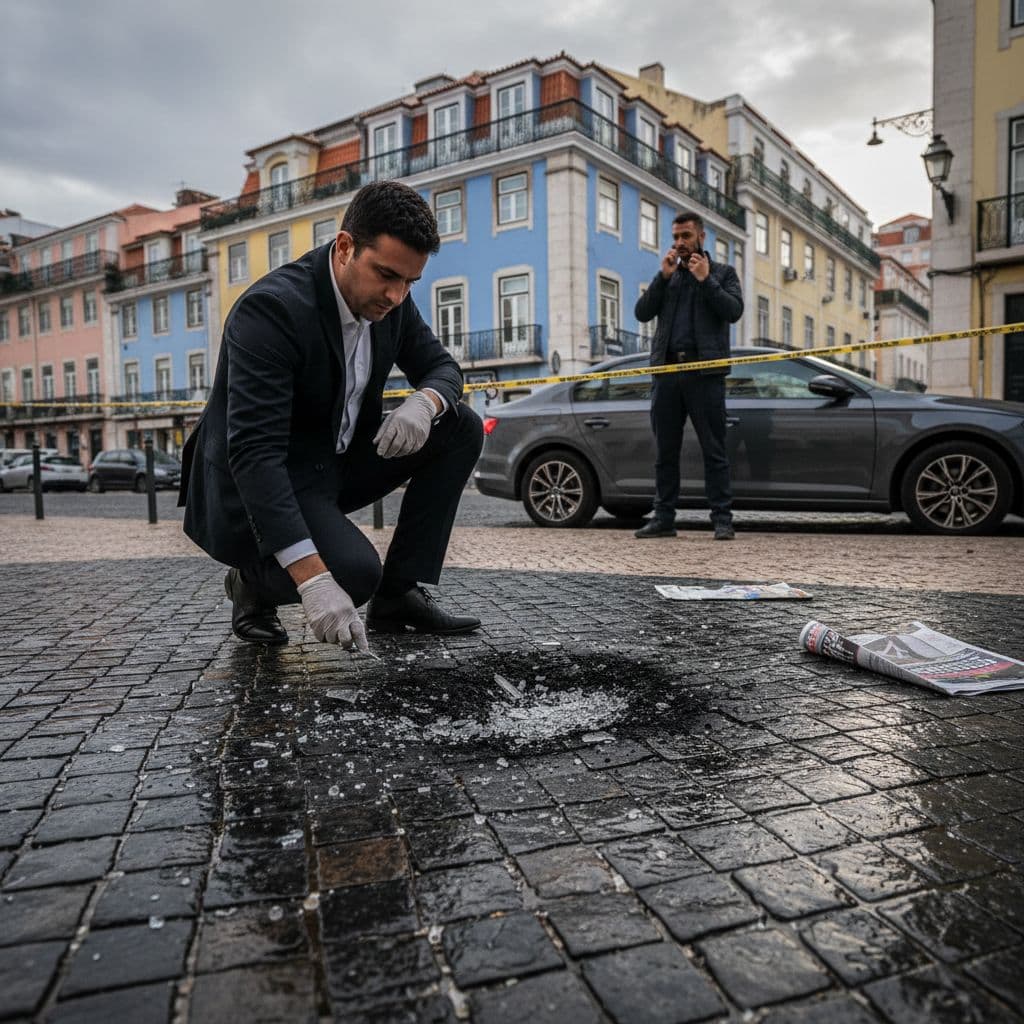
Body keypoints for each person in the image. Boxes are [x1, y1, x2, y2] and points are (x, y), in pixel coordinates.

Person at [178, 180, 483, 650]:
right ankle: (250, 583)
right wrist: (314, 580)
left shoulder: (393, 304)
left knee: (461, 426)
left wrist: (425, 402)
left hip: (334, 463)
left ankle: (398, 594)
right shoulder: (271, 310)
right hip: (261, 480)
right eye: (386, 275)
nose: (396, 295)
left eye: (410, 282)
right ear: (344, 248)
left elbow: (444, 368)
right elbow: (256, 455)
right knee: (353, 574)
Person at [633, 210, 744, 540]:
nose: (680, 243)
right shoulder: (668, 276)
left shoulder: (723, 273)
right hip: (667, 374)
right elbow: (642, 313)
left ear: (701, 237)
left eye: (686, 236)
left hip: (705, 374)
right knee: (665, 452)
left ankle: (722, 520)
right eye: (676, 237)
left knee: (714, 450)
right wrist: (661, 277)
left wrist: (705, 279)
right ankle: (664, 518)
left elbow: (733, 311)